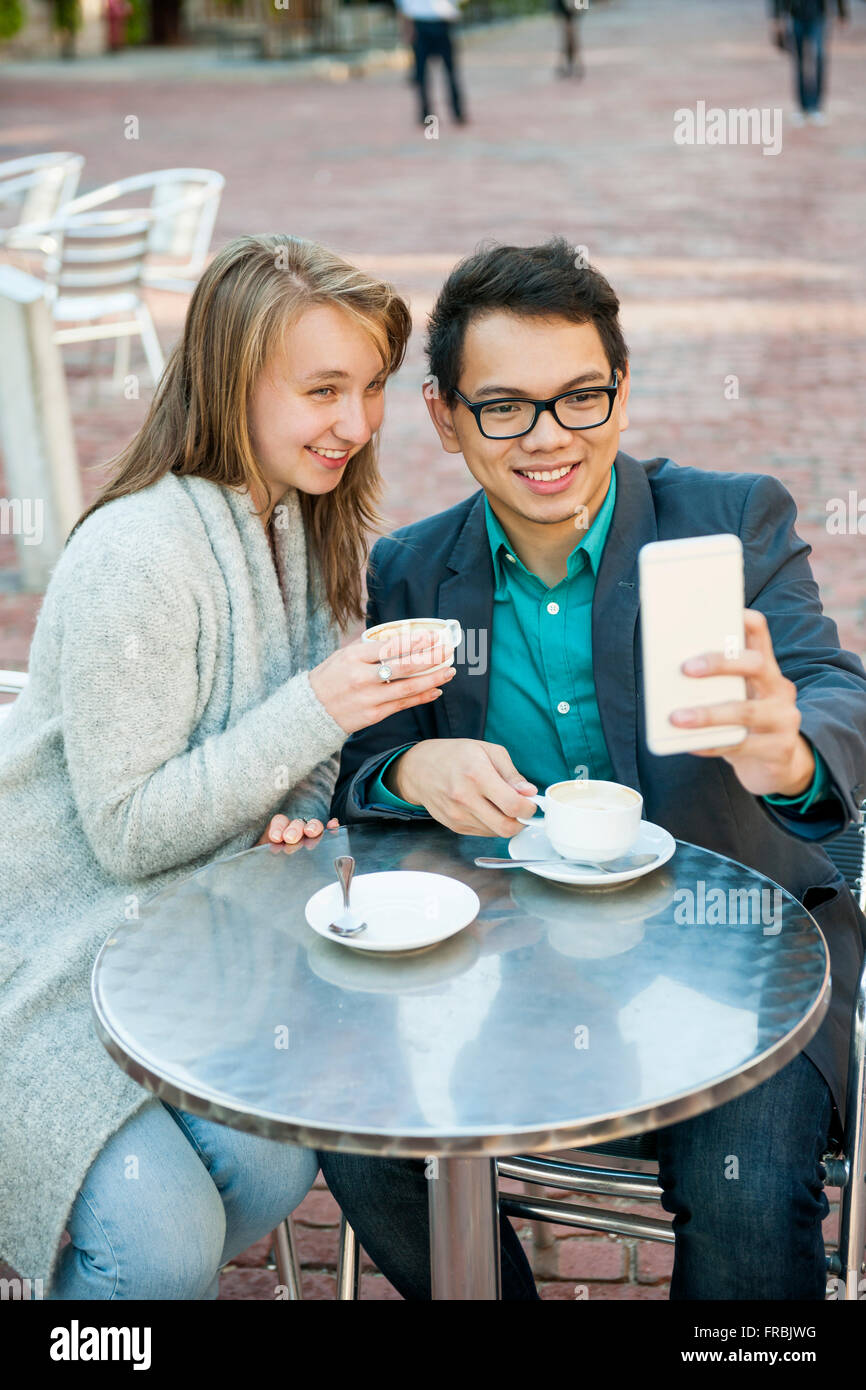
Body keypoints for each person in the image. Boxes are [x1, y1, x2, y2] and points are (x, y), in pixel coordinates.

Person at [317, 237, 866, 1299]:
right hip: (506, 967)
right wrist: (409, 768)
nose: (547, 439)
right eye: (503, 406)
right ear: (443, 416)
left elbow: (840, 695)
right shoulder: (410, 567)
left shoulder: (728, 518)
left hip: (742, 965)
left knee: (745, 1193)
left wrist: (781, 744)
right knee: (355, 1126)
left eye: (578, 398)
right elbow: (363, 762)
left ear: (620, 393)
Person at [0, 233, 457, 1299]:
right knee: (158, 1238)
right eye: (323, 390)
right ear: (230, 382)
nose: (356, 423)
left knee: (273, 1156)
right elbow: (125, 832)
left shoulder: (303, 523)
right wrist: (323, 702)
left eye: (373, 388)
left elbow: (295, 765)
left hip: (179, 949)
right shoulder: (139, 557)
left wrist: (290, 813)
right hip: (47, 961)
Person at [771, 0, 848, 125]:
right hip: (795, 15)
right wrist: (776, 17)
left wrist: (842, 13)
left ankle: (816, 106)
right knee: (799, 61)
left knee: (819, 57)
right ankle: (802, 107)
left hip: (818, 15)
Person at [395, 0, 467, 128]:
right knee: (422, 75)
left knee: (449, 72)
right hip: (421, 25)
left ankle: (457, 113)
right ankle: (427, 115)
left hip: (440, 23)